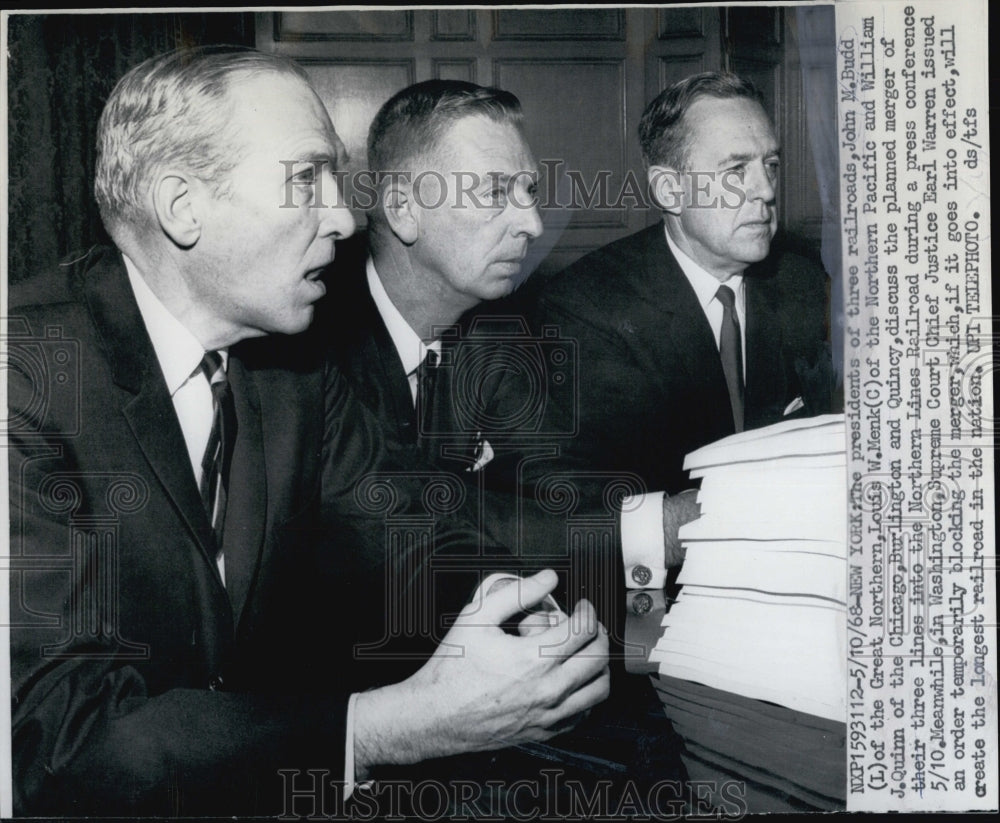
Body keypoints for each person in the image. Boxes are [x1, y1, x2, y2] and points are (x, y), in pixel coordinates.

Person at [5, 46, 610, 817]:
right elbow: (66, 742)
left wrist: (510, 595)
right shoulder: (24, 379)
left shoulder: (286, 361)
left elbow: (413, 525)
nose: (346, 217)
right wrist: (384, 727)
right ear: (182, 206)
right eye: (306, 178)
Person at [318, 79, 703, 621]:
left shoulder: (501, 330)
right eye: (496, 192)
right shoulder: (307, 338)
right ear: (404, 209)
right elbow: (403, 511)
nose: (533, 224)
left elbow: (554, 490)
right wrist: (657, 527)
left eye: (528, 191)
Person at [511, 72, 834, 581]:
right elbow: (571, 508)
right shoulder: (583, 309)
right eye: (736, 170)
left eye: (770, 164)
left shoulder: (803, 282)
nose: (766, 190)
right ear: (669, 190)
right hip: (656, 595)